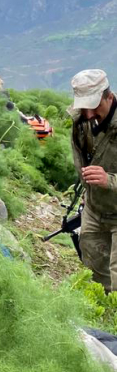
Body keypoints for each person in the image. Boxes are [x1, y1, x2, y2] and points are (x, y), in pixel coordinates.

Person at [70, 68, 117, 292]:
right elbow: (82, 159)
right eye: (84, 107)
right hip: (94, 210)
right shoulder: (82, 121)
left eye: (95, 106)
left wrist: (109, 180)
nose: (89, 114)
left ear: (109, 96)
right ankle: (106, 320)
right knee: (94, 273)